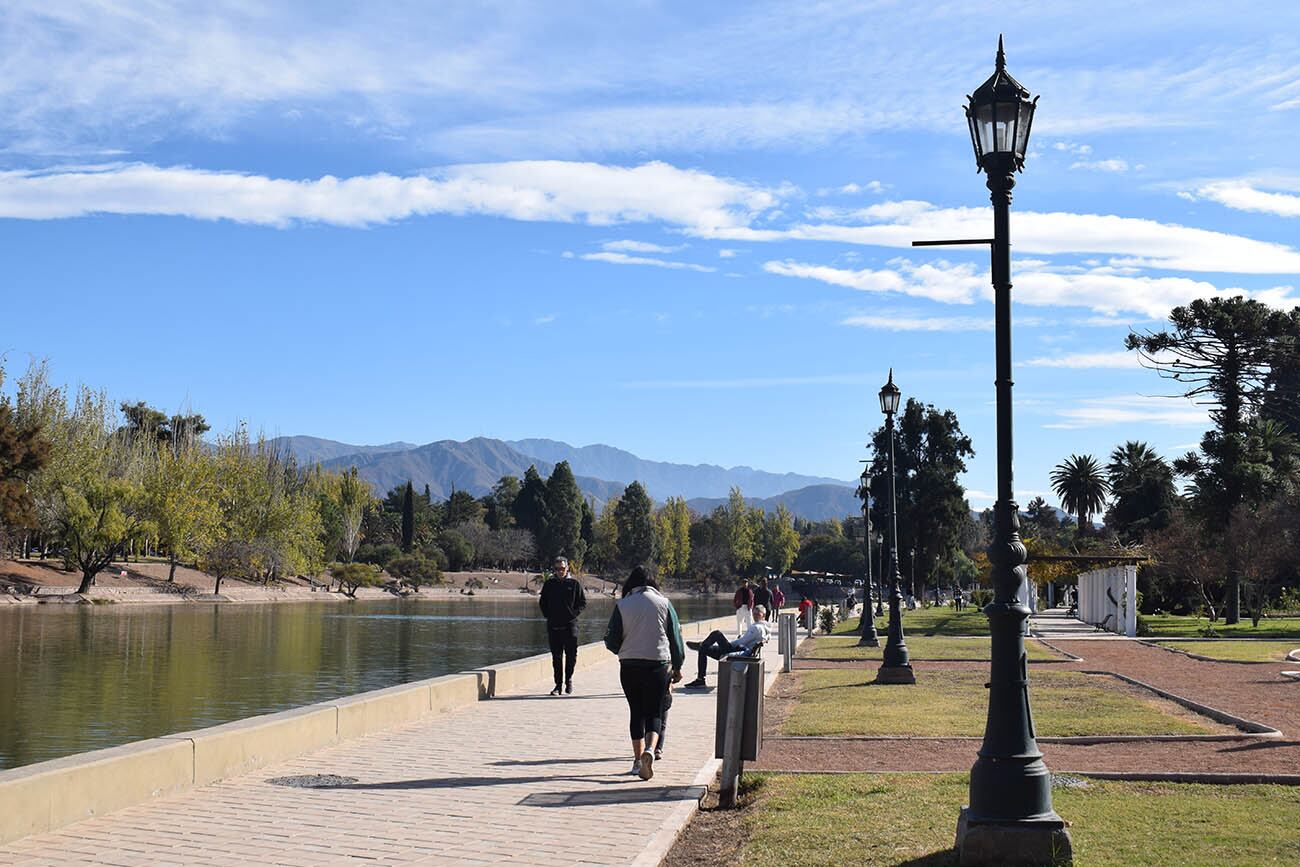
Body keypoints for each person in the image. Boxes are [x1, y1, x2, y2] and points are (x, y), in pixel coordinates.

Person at [604, 565, 685, 781]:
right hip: (658, 665)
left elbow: (611, 640)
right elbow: (676, 640)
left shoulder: (623, 605)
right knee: (655, 712)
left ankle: (637, 760)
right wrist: (677, 667)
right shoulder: (665, 604)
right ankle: (651, 748)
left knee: (635, 712)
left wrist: (623, 649)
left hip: (630, 665)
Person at [683, 604, 770, 688]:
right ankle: (701, 647)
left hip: (739, 652)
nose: (755, 616)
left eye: (758, 614)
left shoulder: (757, 628)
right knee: (704, 648)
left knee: (716, 634)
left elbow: (743, 641)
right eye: (754, 613)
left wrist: (729, 644)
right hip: (744, 651)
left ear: (763, 615)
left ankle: (700, 678)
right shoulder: (765, 627)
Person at [539, 556, 587, 696]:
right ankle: (558, 685)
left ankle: (569, 679)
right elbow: (543, 603)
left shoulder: (574, 584)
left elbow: (582, 603)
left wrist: (573, 614)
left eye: (562, 568)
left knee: (571, 655)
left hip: (570, 626)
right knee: (557, 657)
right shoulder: (549, 584)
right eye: (557, 569)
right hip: (554, 626)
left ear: (567, 569)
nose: (560, 571)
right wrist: (549, 616)